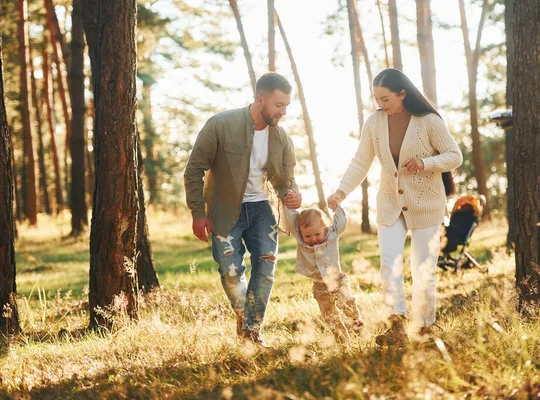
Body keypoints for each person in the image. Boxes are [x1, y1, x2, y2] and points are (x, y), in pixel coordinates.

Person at [327, 68, 463, 347]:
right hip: (390, 203)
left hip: (426, 203)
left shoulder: (428, 121)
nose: (380, 104)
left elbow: (454, 156)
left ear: (402, 94)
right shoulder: (374, 123)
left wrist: (427, 163)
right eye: (376, 98)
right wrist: (341, 191)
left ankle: (425, 327)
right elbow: (360, 161)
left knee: (422, 267)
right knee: (389, 264)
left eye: (386, 98)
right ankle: (397, 326)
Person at [184, 72, 302, 347]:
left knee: (267, 267)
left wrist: (291, 196)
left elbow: (285, 180)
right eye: (278, 105)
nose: (283, 112)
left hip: (261, 208)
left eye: (286, 105)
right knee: (230, 270)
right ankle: (247, 321)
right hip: (224, 209)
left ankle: (250, 332)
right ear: (260, 99)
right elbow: (194, 170)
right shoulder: (220, 124)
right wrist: (198, 213)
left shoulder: (281, 137)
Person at [283, 197, 363, 342]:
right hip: (319, 286)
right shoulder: (301, 240)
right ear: (301, 233)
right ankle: (341, 338)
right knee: (328, 314)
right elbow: (291, 222)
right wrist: (290, 206)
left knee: (347, 303)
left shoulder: (331, 235)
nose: (313, 239)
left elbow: (341, 223)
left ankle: (356, 323)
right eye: (308, 235)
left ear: (324, 229)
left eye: (317, 234)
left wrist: (337, 207)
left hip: (337, 280)